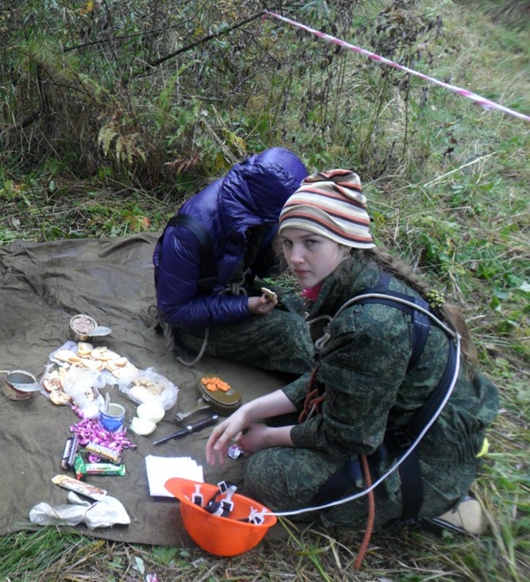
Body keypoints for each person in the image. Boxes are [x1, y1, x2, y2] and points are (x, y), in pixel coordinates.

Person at [206, 170, 499, 531]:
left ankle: (436, 508)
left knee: (266, 474)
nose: (295, 257)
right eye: (288, 243)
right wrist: (249, 410)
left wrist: (266, 437)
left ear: (344, 241)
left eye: (311, 242)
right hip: (401, 421)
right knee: (278, 422)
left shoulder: (370, 324)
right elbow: (328, 376)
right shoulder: (359, 279)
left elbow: (349, 437)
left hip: (426, 460)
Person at [153, 147, 313, 376]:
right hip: (192, 324)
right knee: (290, 331)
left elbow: (263, 269)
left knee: (299, 304)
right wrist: (246, 306)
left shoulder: (262, 209)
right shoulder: (188, 233)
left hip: (231, 289)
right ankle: (328, 381)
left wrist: (281, 247)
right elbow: (173, 311)